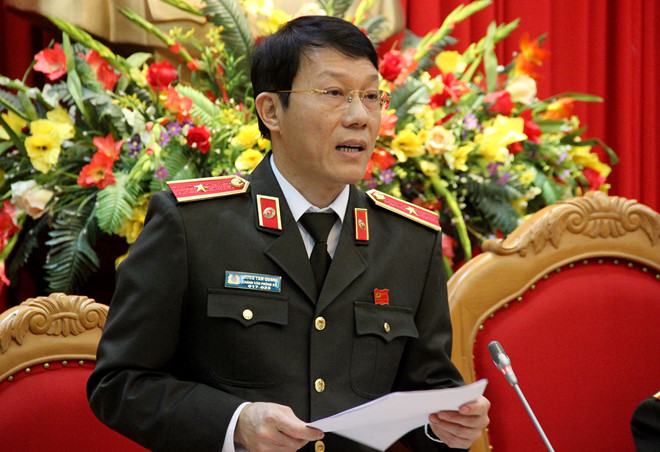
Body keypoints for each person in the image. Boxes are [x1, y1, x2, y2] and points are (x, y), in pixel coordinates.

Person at [87, 15, 490, 452]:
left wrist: (445, 426)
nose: (360, 117)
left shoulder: (409, 241)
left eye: (372, 96)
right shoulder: (192, 225)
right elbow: (119, 382)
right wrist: (235, 424)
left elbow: (425, 396)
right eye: (334, 93)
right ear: (271, 111)